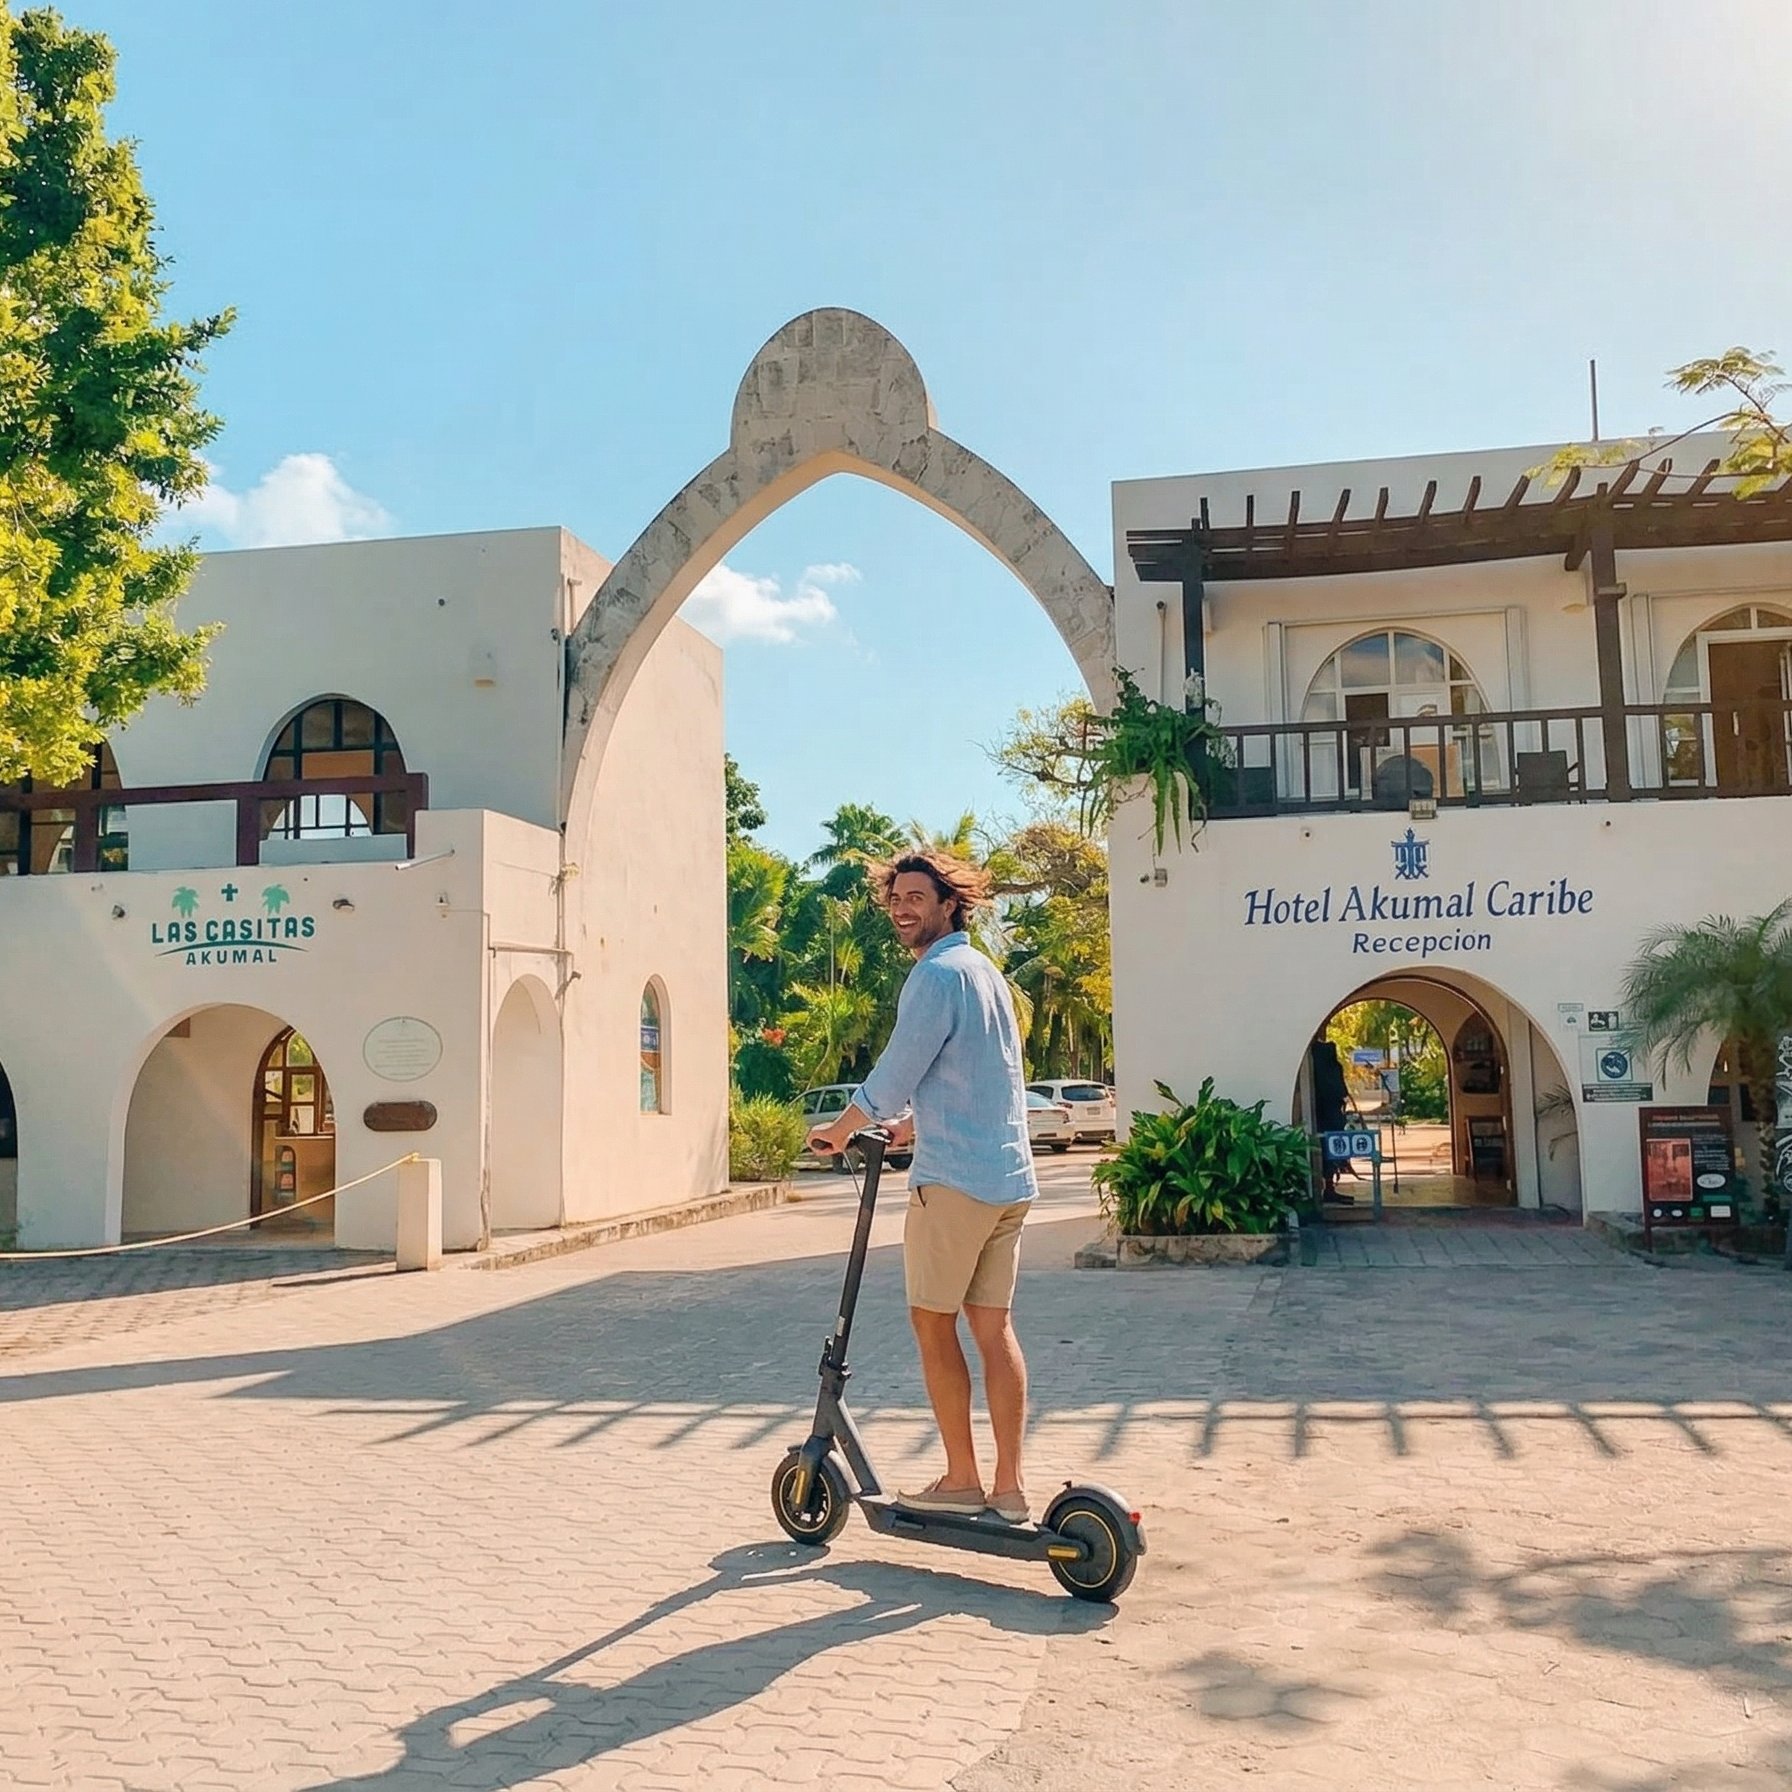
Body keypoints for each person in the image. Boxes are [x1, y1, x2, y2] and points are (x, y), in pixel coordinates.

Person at [805, 848, 1037, 1523]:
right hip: (1006, 1179)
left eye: (915, 897)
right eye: (895, 900)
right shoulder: (985, 973)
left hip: (955, 1185)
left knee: (932, 1324)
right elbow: (980, 1076)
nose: (902, 909)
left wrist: (845, 1127)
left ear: (947, 904)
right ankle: (1010, 1488)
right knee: (993, 1330)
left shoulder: (935, 977)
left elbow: (897, 1068)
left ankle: (963, 1478)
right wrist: (913, 1127)